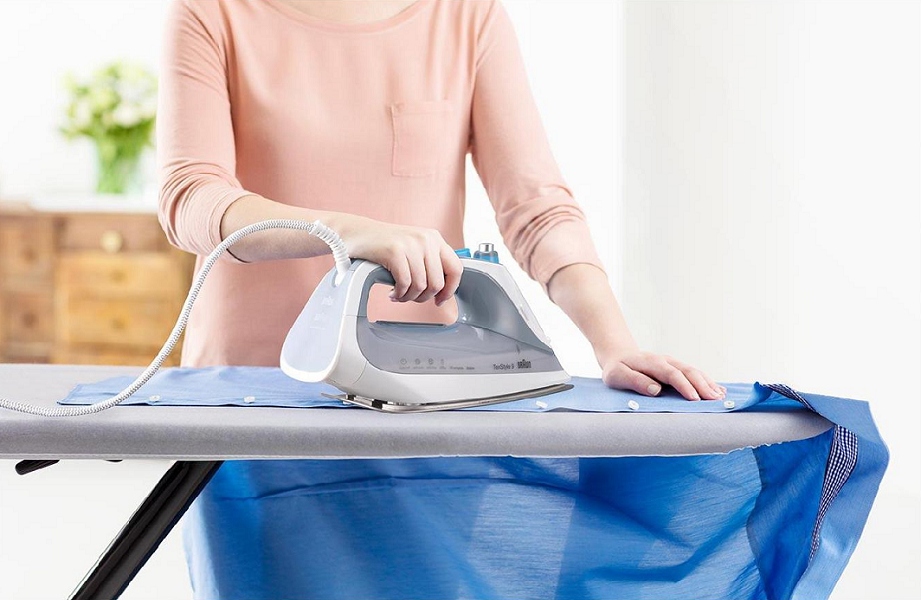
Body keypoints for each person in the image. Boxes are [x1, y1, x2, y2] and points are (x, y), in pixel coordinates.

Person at [158, 0, 726, 597]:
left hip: (427, 407)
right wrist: (347, 232)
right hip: (255, 409)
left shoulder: (467, 17)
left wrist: (614, 345)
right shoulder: (212, 13)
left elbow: (536, 208)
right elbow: (190, 197)